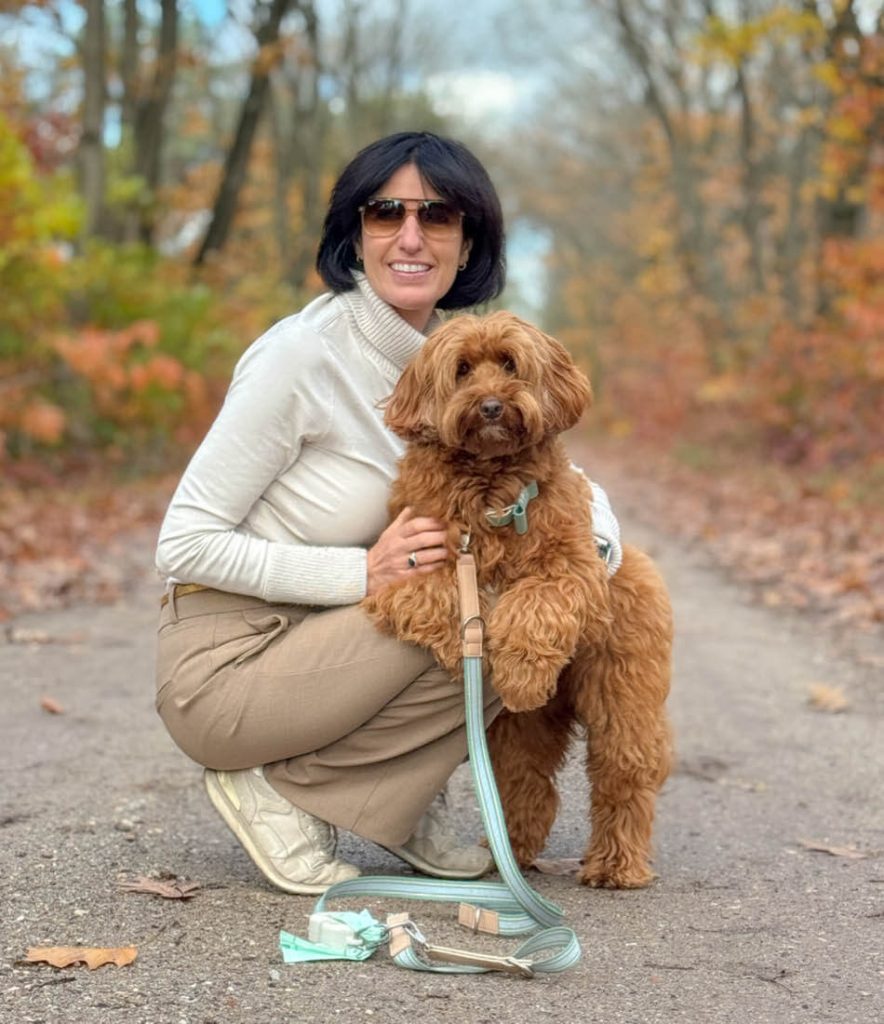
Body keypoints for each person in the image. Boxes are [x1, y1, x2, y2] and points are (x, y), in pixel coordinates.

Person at [154, 130, 623, 896]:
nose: (411, 236)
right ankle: (277, 789)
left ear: (468, 243)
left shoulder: (449, 356)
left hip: (330, 650)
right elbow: (182, 544)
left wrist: (593, 548)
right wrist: (361, 571)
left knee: (535, 615)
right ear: (355, 235)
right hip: (228, 663)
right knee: (472, 610)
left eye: (437, 217)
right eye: (385, 213)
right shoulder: (299, 358)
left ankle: (392, 802)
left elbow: (559, 482)